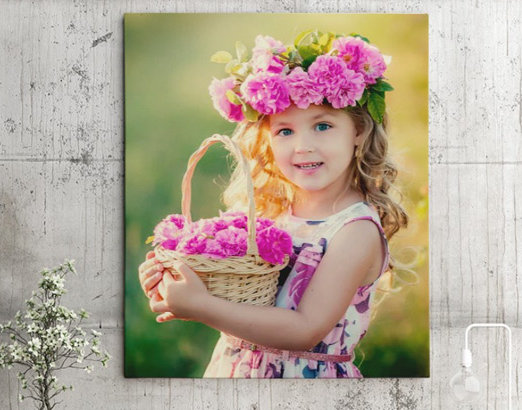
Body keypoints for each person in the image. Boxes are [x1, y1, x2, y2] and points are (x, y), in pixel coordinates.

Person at [138, 30, 408, 378]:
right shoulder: (269, 212)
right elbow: (235, 294)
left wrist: (202, 307)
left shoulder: (354, 230)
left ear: (358, 131)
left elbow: (304, 329)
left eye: (322, 125)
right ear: (266, 139)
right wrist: (177, 282)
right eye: (285, 131)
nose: (303, 146)